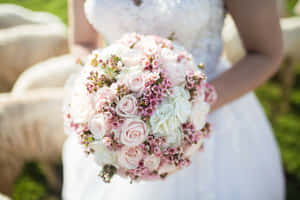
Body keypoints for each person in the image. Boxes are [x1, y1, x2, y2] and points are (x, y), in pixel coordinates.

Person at [63, 0, 285, 199]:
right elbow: (82, 42)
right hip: (112, 127)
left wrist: (194, 106)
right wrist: (102, 91)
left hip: (211, 116)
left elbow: (265, 53)